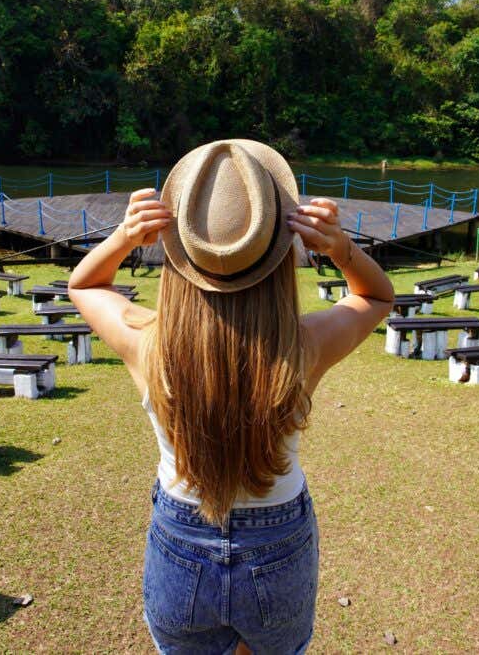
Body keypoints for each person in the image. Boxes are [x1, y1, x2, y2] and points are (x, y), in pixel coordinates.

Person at [69, 140, 393, 654]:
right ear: (279, 252)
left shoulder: (147, 344)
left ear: (180, 253)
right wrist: (341, 249)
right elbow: (376, 296)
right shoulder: (302, 347)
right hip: (279, 543)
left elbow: (83, 287)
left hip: (181, 540)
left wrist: (124, 238)